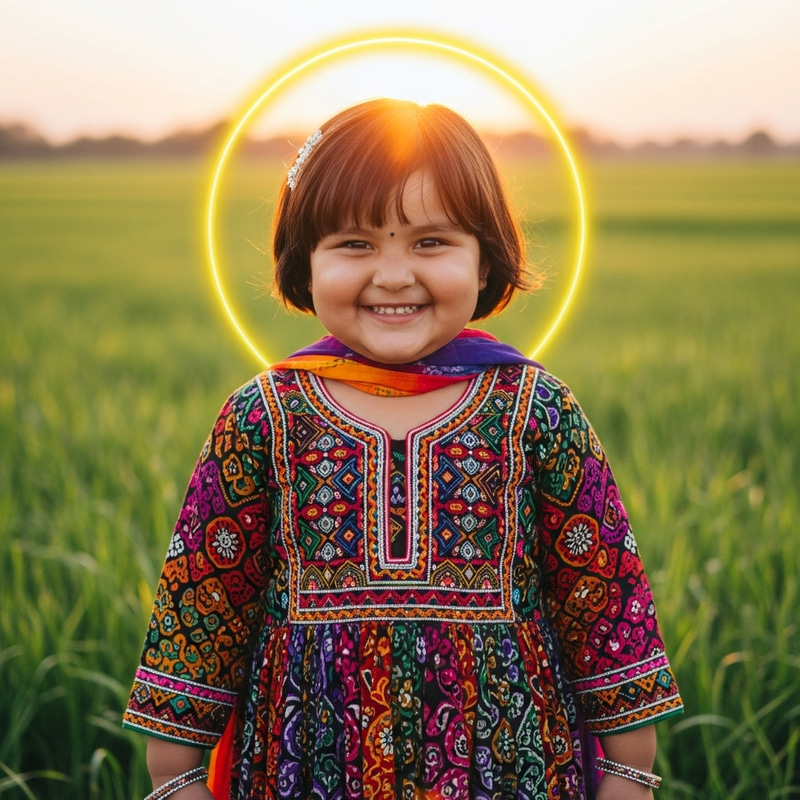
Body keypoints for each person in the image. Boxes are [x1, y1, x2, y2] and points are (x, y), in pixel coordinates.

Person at [123, 98, 683, 800]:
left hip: (514, 774)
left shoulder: (536, 412)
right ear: (306, 263)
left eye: (430, 243)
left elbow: (604, 600)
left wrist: (631, 772)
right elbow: (201, 608)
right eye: (355, 244)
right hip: (303, 775)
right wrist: (174, 780)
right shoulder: (261, 419)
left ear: (486, 263)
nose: (392, 275)